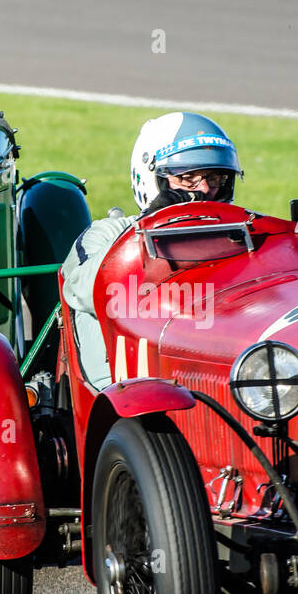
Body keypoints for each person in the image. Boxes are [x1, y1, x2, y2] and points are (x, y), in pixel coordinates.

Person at [62, 112, 242, 388]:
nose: (204, 190)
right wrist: (150, 225)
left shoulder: (240, 235)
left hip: (216, 376)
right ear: (151, 179)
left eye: (215, 179)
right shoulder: (108, 233)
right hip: (127, 395)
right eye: (188, 178)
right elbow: (82, 290)